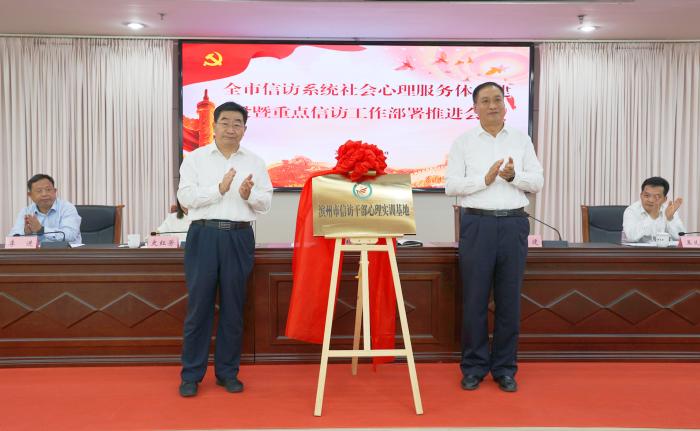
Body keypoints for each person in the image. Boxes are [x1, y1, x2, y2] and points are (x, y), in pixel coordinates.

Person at [445, 82, 543, 393]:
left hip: (513, 224)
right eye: (485, 101)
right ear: (475, 108)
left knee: (509, 301)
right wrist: (483, 180)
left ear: (505, 104)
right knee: (475, 299)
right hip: (477, 225)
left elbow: (537, 181)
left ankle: (504, 368)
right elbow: (451, 186)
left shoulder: (521, 139)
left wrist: (514, 177)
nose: (492, 106)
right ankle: (474, 367)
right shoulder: (463, 142)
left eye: (497, 99)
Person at [176, 101, 273, 397]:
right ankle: (191, 375)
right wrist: (218, 189)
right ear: (214, 125)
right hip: (204, 235)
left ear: (244, 129)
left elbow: (265, 204)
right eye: (225, 122)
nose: (231, 128)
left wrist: (248, 195)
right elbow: (186, 198)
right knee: (199, 307)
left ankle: (227, 373)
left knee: (233, 307)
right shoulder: (195, 159)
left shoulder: (255, 161)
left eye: (237, 123)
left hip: (239, 237)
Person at [9, 174, 82, 244]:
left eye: (48, 189)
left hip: (65, 251)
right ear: (30, 195)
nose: (44, 194)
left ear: (55, 191)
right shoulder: (26, 211)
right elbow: (12, 238)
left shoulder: (67, 208)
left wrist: (41, 230)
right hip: (36, 252)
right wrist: (25, 233)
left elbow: (70, 235)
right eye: (39, 191)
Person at [622, 176, 685, 243]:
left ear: (665, 199)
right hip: (638, 249)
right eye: (647, 196)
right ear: (641, 195)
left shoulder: (669, 210)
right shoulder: (632, 211)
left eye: (656, 197)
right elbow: (631, 237)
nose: (651, 200)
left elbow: (682, 238)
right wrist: (652, 216)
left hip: (664, 249)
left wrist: (670, 219)